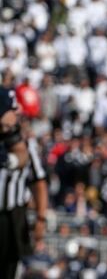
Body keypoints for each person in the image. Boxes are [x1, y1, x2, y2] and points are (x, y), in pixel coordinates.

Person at [0, 86, 32, 278]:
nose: (16, 113)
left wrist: (9, 160)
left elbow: (22, 153)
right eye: (11, 109)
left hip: (8, 217)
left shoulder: (10, 131)